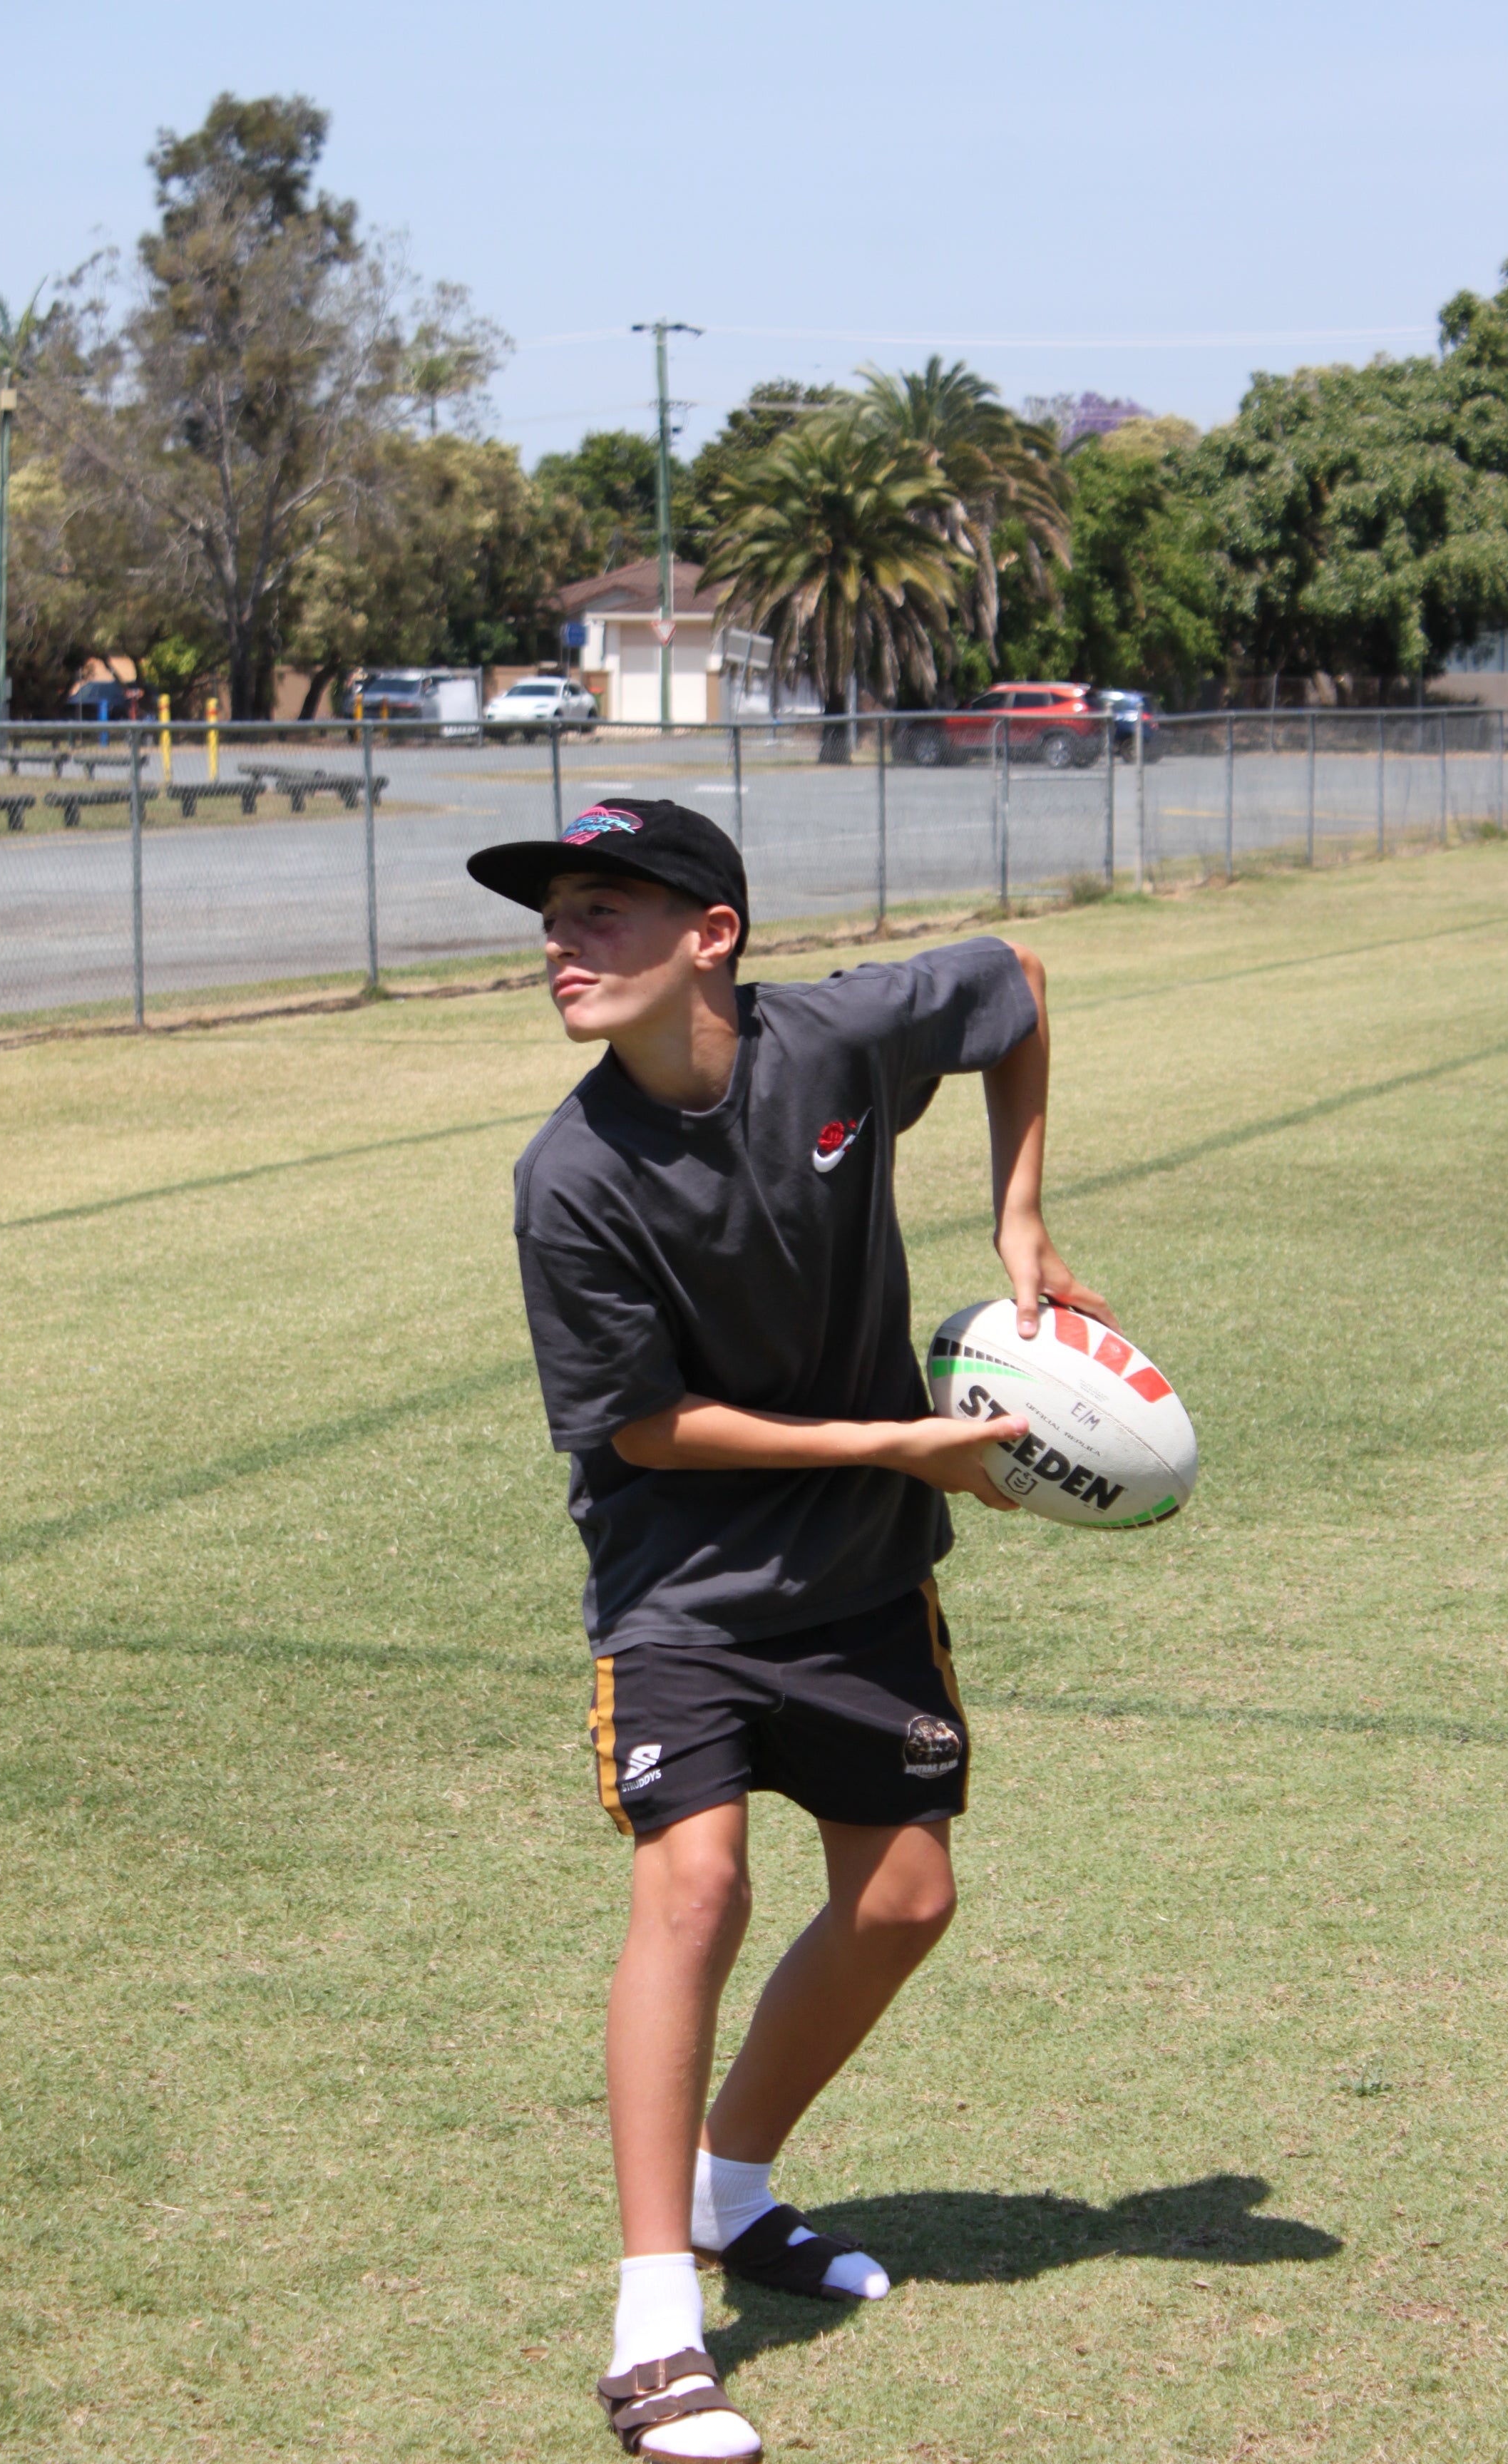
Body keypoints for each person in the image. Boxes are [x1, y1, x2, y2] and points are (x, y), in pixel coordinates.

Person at [467, 801, 1117, 2463]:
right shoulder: (571, 1180)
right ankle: (653, 2325)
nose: (564, 944)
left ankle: (728, 2188)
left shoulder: (831, 1044)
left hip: (863, 1572)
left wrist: (1019, 1213)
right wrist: (900, 1443)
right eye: (556, 918)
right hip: (678, 1583)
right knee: (696, 1882)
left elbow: (1018, 982)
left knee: (905, 1900)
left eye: (605, 912)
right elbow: (647, 1432)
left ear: (714, 936)